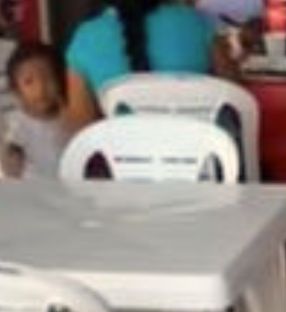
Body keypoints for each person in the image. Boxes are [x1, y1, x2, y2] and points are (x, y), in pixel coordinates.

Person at [63, 0, 235, 125]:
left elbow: (80, 127)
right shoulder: (197, 23)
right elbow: (233, 92)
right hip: (203, 164)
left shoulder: (86, 38)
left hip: (125, 168)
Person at [2, 43, 70, 180]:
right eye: (29, 82)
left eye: (49, 78)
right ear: (16, 90)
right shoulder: (16, 123)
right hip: (34, 192)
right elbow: (10, 166)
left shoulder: (70, 116)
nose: (41, 88)